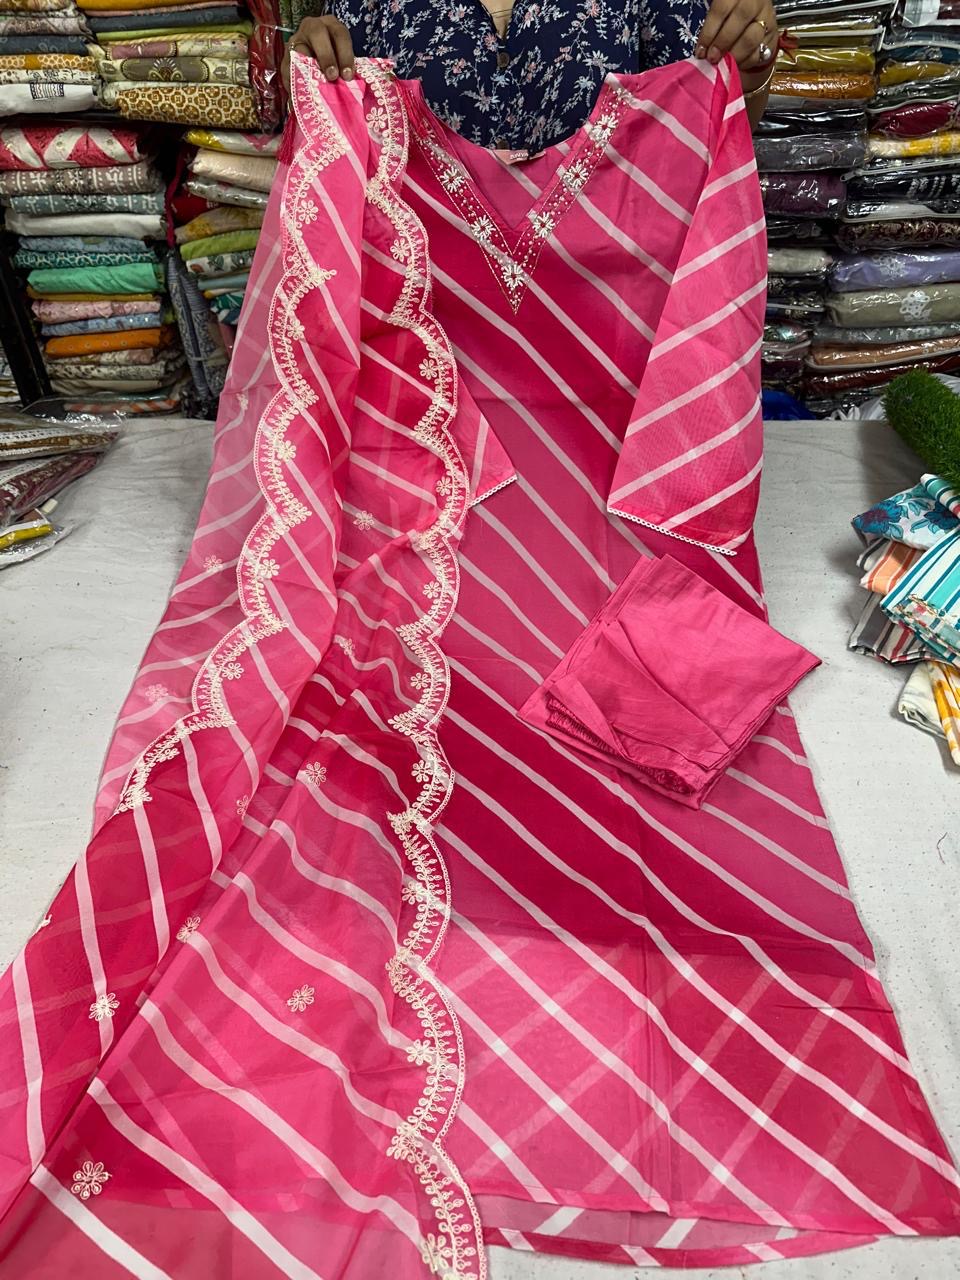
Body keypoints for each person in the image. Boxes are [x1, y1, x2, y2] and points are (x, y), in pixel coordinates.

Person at [282, 0, 778, 145]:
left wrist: (750, 67)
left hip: (602, 324)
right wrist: (306, 76)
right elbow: (343, 146)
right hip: (428, 335)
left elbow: (706, 123)